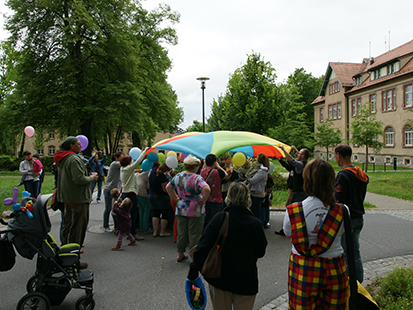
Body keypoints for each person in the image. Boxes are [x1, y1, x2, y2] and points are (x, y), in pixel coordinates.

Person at [188, 182, 267, 310]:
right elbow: (261, 252)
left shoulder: (220, 218)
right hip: (246, 281)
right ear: (248, 199)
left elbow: (203, 246)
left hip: (220, 279)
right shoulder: (255, 223)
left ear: (228, 197)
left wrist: (193, 270)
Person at [282, 158, 349, 309]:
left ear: (307, 181)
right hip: (334, 267)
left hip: (303, 267)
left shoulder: (293, 210)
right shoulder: (343, 211)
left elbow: (289, 235)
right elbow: (342, 232)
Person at [54, 136, 98, 269]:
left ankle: (65, 255)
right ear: (71, 146)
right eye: (78, 144)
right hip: (78, 198)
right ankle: (73, 260)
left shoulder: (63, 158)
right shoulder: (73, 159)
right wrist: (91, 177)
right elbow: (78, 179)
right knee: (77, 229)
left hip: (68, 198)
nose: (80, 146)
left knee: (67, 227)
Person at [334, 144, 369, 283]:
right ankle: (358, 282)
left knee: (346, 254)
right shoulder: (360, 173)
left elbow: (338, 198)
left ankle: (350, 286)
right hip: (359, 216)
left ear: (338, 155)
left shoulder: (343, 175)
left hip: (347, 219)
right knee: (355, 252)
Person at [166, 155, 211, 262]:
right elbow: (207, 189)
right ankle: (194, 255)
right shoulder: (197, 178)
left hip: (181, 207)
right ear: (195, 166)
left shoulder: (178, 176)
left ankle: (180, 253)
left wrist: (176, 198)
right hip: (195, 209)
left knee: (182, 232)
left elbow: (168, 187)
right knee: (195, 233)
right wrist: (204, 199)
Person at [275, 145, 310, 236]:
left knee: (291, 210)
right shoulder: (306, 163)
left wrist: (283, 149)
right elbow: (290, 165)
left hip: (298, 192)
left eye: (299, 153)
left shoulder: (300, 165)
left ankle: (287, 230)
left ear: (302, 156)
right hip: (303, 191)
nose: (298, 154)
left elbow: (291, 160)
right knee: (302, 211)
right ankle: (300, 229)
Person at [120, 149, 148, 241]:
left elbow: (131, 170)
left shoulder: (123, 169)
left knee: (127, 215)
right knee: (132, 214)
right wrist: (145, 151)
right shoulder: (128, 169)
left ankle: (127, 233)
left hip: (125, 193)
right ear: (128, 162)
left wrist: (136, 171)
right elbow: (138, 161)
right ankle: (132, 233)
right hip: (130, 194)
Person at [200, 154, 228, 229]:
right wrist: (218, 166)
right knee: (216, 221)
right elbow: (226, 175)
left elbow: (202, 172)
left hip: (205, 199)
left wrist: (205, 164)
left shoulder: (202, 171)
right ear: (214, 162)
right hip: (216, 199)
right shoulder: (217, 172)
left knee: (205, 221)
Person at [148, 162, 172, 237]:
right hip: (161, 197)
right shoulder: (162, 177)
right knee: (165, 214)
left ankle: (155, 231)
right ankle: (162, 231)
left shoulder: (153, 171)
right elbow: (164, 189)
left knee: (155, 213)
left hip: (152, 194)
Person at [245, 153, 270, 226]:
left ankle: (258, 227)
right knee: (256, 211)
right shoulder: (261, 170)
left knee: (256, 213)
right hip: (255, 193)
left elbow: (253, 180)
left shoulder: (262, 171)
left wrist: (247, 179)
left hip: (257, 194)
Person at [102, 151, 124, 233]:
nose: (123, 158)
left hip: (115, 190)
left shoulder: (118, 165)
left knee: (115, 209)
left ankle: (116, 227)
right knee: (108, 208)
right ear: (116, 158)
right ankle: (105, 226)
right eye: (121, 157)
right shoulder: (115, 164)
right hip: (109, 190)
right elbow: (125, 164)